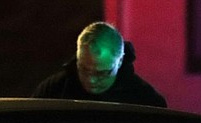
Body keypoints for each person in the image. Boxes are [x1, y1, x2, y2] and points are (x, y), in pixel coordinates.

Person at [32, 21, 166, 107]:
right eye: (83, 69)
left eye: (101, 73)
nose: (91, 79)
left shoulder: (146, 102)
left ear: (119, 62)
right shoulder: (51, 92)